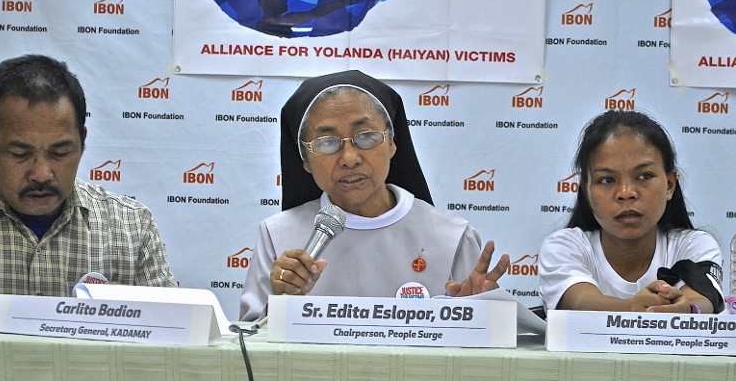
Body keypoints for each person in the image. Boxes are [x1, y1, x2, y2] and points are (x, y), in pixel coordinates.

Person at [239, 70, 509, 321]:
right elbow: (247, 346)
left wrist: (475, 315)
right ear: (305, 160)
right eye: (326, 142)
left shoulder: (451, 236)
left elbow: (479, 354)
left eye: (366, 136)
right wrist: (280, 301)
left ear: (392, 143)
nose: (349, 158)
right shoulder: (277, 235)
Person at [0, 54, 177, 338]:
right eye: (19, 154)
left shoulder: (132, 227)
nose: (41, 174)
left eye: (60, 153)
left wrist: (140, 317)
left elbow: (174, 342)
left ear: (83, 142)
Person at [539, 110, 723, 314]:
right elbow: (580, 302)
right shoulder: (564, 247)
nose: (626, 193)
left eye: (644, 176)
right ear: (586, 191)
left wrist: (688, 309)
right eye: (607, 180)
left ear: (670, 185)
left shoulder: (694, 245)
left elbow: (703, 299)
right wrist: (633, 308)